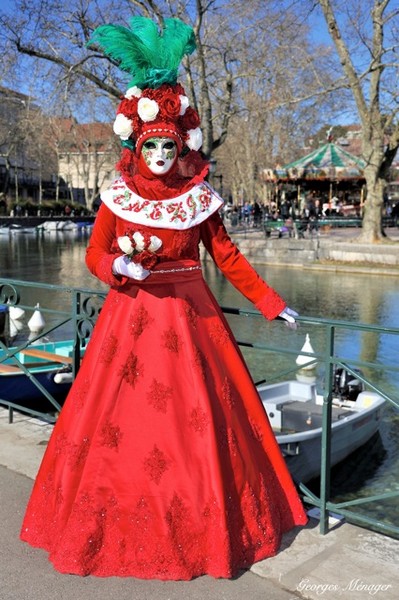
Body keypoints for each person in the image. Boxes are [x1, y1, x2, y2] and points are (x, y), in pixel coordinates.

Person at [20, 16, 307, 580]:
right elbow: (94, 255)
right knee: (119, 428)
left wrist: (272, 303)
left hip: (193, 318)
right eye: (150, 144)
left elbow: (227, 258)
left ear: (181, 148)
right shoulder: (116, 196)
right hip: (130, 318)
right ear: (139, 142)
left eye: (167, 146)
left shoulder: (198, 200)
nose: (157, 154)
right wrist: (118, 265)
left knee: (200, 421)